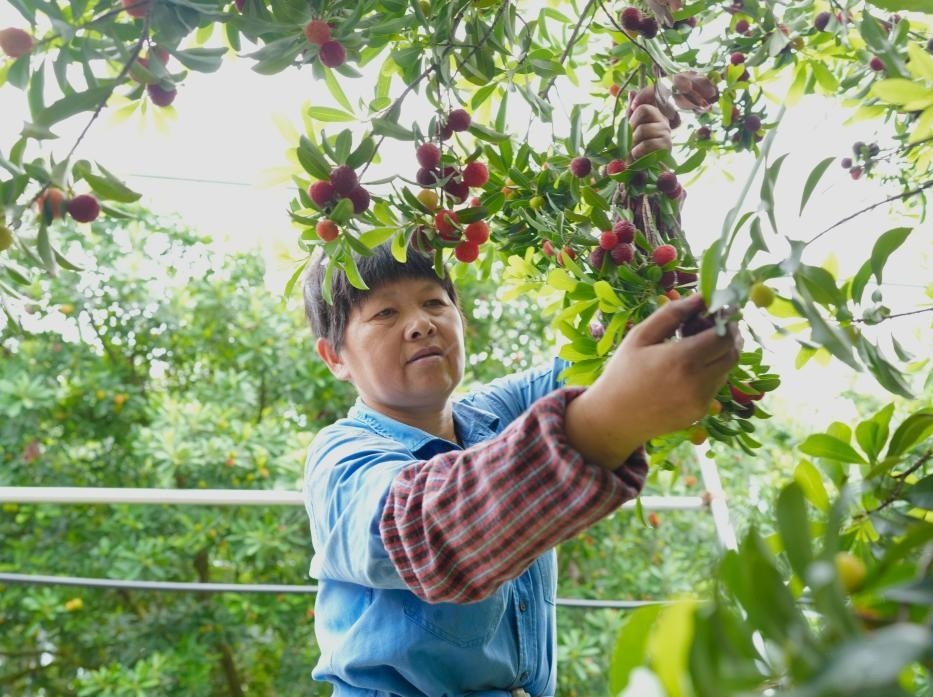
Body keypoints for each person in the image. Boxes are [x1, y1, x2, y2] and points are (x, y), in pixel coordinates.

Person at [300, 90, 741, 696]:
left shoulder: (494, 414)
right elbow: (416, 529)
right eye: (384, 314)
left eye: (434, 303)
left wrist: (647, 187)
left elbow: (615, 346)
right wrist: (602, 424)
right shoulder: (340, 459)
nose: (421, 324)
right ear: (335, 357)